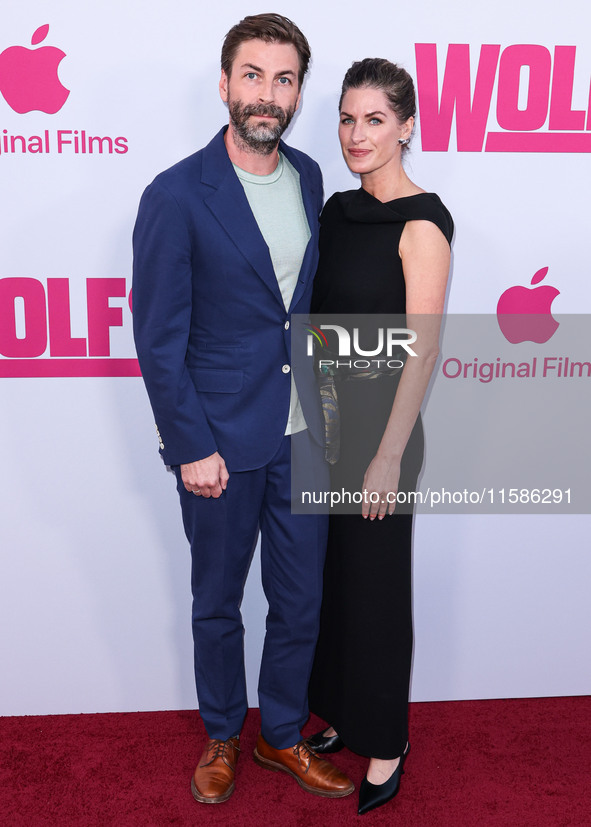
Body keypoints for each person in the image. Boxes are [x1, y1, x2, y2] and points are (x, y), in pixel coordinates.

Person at [132, 13, 353, 805]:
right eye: (253, 75)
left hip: (306, 435)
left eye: (284, 78)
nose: (268, 93)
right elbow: (158, 338)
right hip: (221, 440)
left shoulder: (308, 176)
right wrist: (189, 442)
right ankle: (224, 731)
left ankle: (281, 734)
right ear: (225, 84)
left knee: (300, 601)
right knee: (217, 601)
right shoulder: (176, 194)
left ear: (298, 92)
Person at [306, 58, 454, 816]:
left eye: (373, 120)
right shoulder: (334, 210)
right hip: (321, 424)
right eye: (345, 118)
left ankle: (387, 740)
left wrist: (387, 455)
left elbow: (420, 350)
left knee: (375, 588)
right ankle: (339, 710)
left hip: (380, 437)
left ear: (405, 126)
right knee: (329, 581)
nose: (356, 135)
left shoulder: (421, 222)